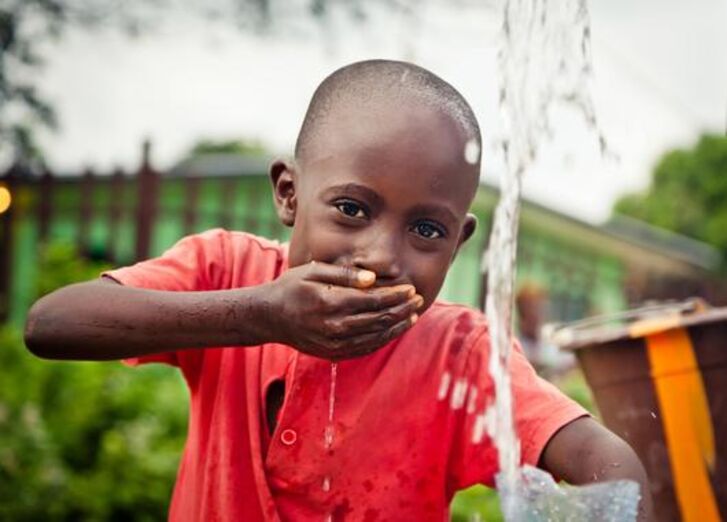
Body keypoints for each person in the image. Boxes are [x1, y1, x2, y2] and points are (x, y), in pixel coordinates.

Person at [24, 60, 653, 521]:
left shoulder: (461, 357)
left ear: (457, 243)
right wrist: (260, 315)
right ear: (289, 194)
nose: (381, 257)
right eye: (352, 209)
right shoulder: (228, 272)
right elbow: (52, 323)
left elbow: (607, 460)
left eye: (426, 229)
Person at [515, 282, 575, 380]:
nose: (537, 315)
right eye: (531, 309)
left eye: (540, 308)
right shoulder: (516, 345)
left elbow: (570, 361)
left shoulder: (553, 337)